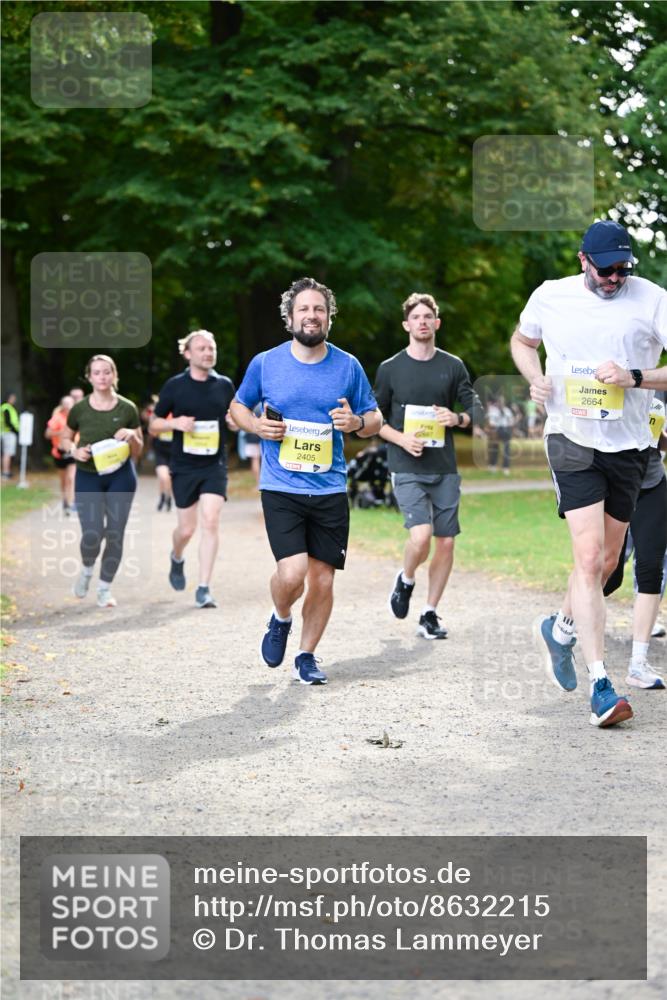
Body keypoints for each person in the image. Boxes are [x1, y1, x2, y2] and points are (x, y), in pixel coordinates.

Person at [511, 219, 667, 728]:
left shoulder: (652, 299)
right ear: (583, 260)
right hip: (571, 438)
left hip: (630, 445)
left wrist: (634, 377)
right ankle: (601, 685)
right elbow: (522, 341)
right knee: (588, 555)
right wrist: (535, 377)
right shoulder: (550, 295)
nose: (615, 278)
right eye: (606, 270)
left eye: (623, 269)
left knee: (607, 564)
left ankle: (559, 630)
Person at [229, 276, 381, 685]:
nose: (311, 316)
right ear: (290, 317)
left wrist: (356, 423)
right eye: (304, 309)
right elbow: (238, 406)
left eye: (319, 309)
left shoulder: (348, 366)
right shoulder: (266, 363)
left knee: (323, 578)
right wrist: (256, 426)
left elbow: (375, 418)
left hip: (329, 487)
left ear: (329, 317)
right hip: (281, 486)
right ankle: (281, 616)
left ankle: (306, 655)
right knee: (293, 573)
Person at [374, 292, 482, 639]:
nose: (422, 322)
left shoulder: (453, 366)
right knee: (420, 537)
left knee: (446, 543)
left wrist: (457, 417)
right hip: (406, 464)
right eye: (415, 317)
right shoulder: (390, 369)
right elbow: (374, 420)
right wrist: (402, 439)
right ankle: (406, 579)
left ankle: (429, 613)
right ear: (406, 325)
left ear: (437, 323)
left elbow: (476, 409)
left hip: (444, 467)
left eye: (427, 317)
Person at [150, 330, 235, 609]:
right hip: (184, 466)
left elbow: (235, 418)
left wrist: (234, 422)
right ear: (187, 354)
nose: (208, 353)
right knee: (186, 530)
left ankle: (204, 588)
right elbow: (153, 424)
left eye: (211, 348)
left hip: (214, 464)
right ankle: (176, 556)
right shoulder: (175, 386)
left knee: (210, 520)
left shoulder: (224, 385)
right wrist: (174, 423)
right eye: (201, 348)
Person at [61, 356, 143, 608]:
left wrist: (132, 435)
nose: (102, 377)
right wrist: (74, 451)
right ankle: (87, 570)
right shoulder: (80, 409)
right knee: (92, 533)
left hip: (121, 476)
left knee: (115, 533)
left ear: (114, 375)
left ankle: (105, 589)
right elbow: (65, 438)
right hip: (88, 475)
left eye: (107, 372)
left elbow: (138, 450)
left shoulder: (127, 408)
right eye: (97, 373)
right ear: (89, 377)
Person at [602, 392, 666, 689]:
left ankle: (638, 665)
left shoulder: (660, 386)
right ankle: (567, 622)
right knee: (608, 569)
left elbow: (658, 439)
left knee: (651, 567)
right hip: (614, 483)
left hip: (651, 482)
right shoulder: (609, 377)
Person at [45, 395, 76, 514]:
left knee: (71, 478)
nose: (68, 406)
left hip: (72, 451)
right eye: (65, 403)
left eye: (70, 403)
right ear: (62, 405)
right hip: (59, 452)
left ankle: (70, 503)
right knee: (63, 480)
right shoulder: (57, 418)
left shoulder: (76, 417)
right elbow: (47, 434)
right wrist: (61, 432)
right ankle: (65, 500)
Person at [145, 395, 173, 511]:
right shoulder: (157, 414)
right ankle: (165, 497)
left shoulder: (177, 413)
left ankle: (166, 497)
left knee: (167, 478)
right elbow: (152, 432)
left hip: (174, 452)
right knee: (163, 476)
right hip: (160, 451)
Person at [486, 393, 515, 475]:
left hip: (506, 429)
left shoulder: (507, 411)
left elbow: (511, 422)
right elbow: (491, 423)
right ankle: (493, 465)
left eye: (502, 401)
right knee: (495, 448)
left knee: (506, 450)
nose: (501, 403)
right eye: (499, 401)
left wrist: (511, 431)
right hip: (497, 430)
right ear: (497, 402)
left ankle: (506, 467)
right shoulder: (494, 411)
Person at [1, 392, 20, 479]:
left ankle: (5, 471)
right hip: (8, 433)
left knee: (5, 453)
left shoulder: (6, 407)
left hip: (5, 432)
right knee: (7, 453)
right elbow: (8, 421)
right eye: (13, 398)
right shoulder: (6, 408)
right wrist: (15, 431)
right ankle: (6, 472)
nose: (14, 400)